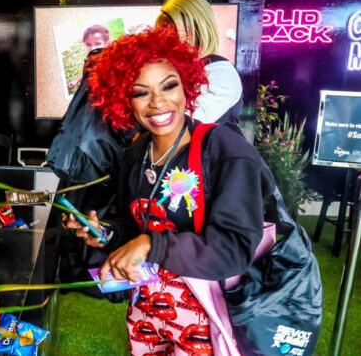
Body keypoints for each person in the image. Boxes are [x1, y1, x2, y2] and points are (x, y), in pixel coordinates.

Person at [66, 27, 276, 355]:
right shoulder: (136, 152)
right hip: (146, 312)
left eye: (169, 85)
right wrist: (105, 232)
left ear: (186, 85)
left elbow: (234, 250)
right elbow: (131, 222)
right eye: (140, 92)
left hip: (209, 321)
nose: (159, 102)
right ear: (125, 100)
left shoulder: (225, 150)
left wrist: (152, 244)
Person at [156, 0, 242, 125]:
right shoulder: (168, 70)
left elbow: (181, 124)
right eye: (161, 30)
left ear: (197, 29)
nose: (164, 38)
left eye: (172, 30)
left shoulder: (220, 73)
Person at [68, 24, 112, 91]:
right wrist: (76, 81)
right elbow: (87, 73)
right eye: (89, 45)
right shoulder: (91, 59)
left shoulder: (110, 58)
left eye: (98, 44)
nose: (93, 48)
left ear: (106, 43)